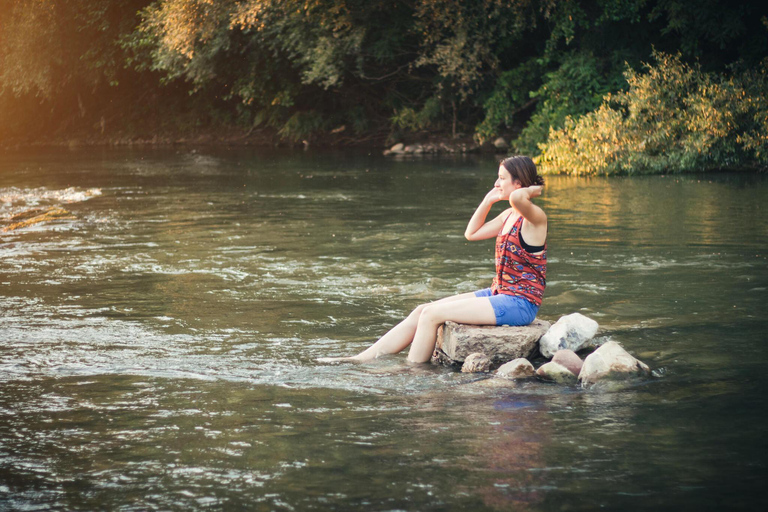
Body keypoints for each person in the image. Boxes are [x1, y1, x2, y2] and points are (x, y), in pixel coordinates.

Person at [318, 155, 547, 364]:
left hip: (520, 303)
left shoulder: (535, 219)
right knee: (422, 309)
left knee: (432, 316)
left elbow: (518, 198)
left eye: (501, 179)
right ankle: (361, 358)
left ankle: (414, 370)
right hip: (500, 293)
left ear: (518, 184)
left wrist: (532, 190)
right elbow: (472, 233)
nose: (496, 184)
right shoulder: (509, 215)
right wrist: (488, 201)